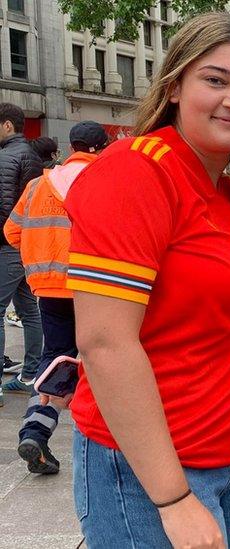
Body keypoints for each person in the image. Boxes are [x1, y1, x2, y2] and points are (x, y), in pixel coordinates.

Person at [60, 12, 230, 548]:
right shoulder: (136, 172)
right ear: (173, 87)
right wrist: (172, 499)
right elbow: (104, 345)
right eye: (215, 80)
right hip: (151, 471)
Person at [3, 120, 109, 474]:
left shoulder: (37, 185)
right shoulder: (104, 182)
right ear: (97, 149)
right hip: (94, 287)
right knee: (106, 357)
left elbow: (11, 231)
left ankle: (36, 429)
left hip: (48, 288)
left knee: (56, 359)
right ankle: (105, 440)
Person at [0, 102, 43, 405]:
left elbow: (4, 207)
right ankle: (31, 374)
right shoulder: (31, 155)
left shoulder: (5, 157)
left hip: (8, 245)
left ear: (7, 125)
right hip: (26, 244)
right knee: (29, 310)